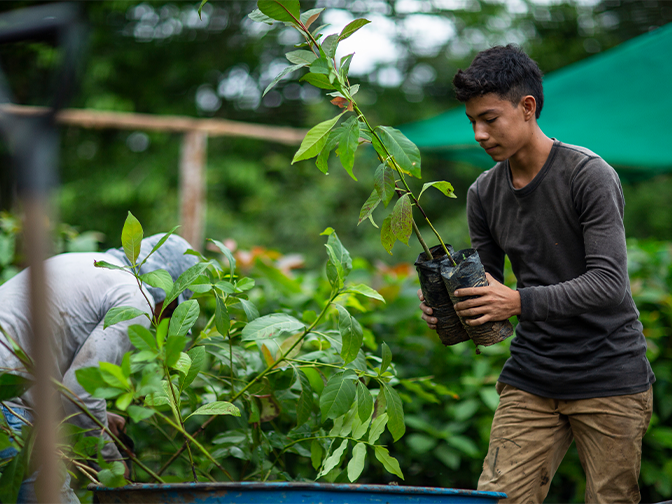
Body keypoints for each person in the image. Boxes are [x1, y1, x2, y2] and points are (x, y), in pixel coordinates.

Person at [418, 45, 655, 503]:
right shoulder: (483, 192)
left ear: (527, 108)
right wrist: (450, 307)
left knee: (612, 500)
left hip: (609, 374)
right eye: (472, 122)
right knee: (499, 498)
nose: (479, 134)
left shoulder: (588, 175)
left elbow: (608, 284)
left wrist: (519, 302)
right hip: (533, 374)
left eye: (490, 119)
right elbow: (485, 283)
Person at [0, 233, 198, 503]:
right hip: (7, 403)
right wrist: (113, 464)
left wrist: (100, 419)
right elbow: (79, 393)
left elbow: (59, 379)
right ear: (169, 291)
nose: (165, 320)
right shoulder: (135, 301)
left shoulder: (88, 264)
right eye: (174, 311)